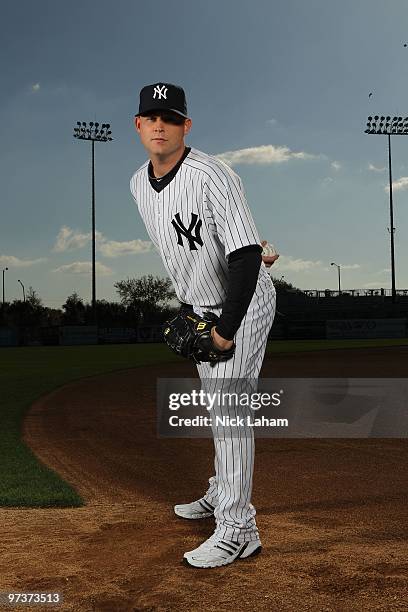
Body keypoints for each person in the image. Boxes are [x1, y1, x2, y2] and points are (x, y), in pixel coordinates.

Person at [130, 82, 279, 568]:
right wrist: (196, 310)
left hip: (242, 305)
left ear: (185, 126)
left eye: (170, 118)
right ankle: (221, 491)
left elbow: (241, 256)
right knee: (218, 409)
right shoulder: (137, 184)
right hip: (202, 307)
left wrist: (224, 329)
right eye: (151, 117)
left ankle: (240, 528)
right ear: (138, 126)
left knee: (230, 410)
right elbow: (199, 241)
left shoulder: (212, 174)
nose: (160, 125)